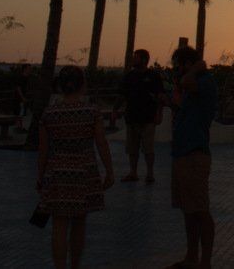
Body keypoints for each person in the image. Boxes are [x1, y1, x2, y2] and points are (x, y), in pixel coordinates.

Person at [37, 66, 115, 269]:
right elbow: (101, 143)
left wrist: (40, 177)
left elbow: (43, 150)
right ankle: (75, 265)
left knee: (59, 224)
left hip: (57, 172)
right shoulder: (91, 112)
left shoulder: (49, 114)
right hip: (84, 171)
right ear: (82, 85)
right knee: (79, 222)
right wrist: (109, 170)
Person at [168, 45, 218, 269]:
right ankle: (191, 257)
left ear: (189, 64)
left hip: (195, 154)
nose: (177, 69)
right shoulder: (193, 86)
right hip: (182, 153)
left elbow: (187, 82)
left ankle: (204, 261)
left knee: (199, 209)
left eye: (179, 64)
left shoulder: (204, 81)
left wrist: (197, 68)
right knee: (188, 210)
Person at [115, 48, 163, 183]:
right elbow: (122, 95)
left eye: (135, 57)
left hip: (148, 118)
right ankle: (133, 172)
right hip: (132, 117)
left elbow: (160, 96)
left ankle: (150, 174)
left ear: (143, 60)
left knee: (148, 148)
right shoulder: (129, 76)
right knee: (132, 148)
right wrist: (115, 110)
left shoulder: (153, 76)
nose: (132, 60)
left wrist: (159, 114)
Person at [15, 63, 33, 132]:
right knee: (20, 112)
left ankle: (20, 126)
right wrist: (22, 97)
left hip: (24, 98)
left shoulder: (27, 78)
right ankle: (19, 127)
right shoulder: (21, 77)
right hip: (20, 98)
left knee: (22, 113)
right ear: (25, 69)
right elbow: (18, 88)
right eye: (29, 69)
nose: (30, 70)